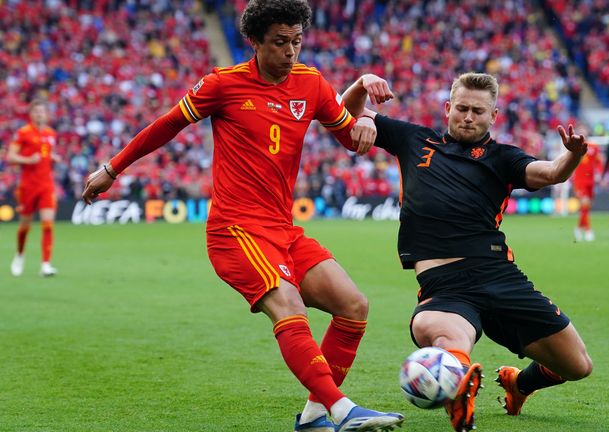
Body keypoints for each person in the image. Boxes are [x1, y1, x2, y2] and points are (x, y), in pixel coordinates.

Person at [81, 1, 404, 431]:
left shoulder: (311, 83)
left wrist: (363, 97)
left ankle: (312, 416)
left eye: (297, 41)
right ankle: (342, 410)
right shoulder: (223, 84)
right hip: (235, 231)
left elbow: (351, 138)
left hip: (283, 229)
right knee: (288, 304)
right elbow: (166, 125)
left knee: (353, 305)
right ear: (254, 42)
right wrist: (112, 168)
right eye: (280, 43)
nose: (291, 52)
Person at [343, 73, 592, 432]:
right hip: (445, 287)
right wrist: (363, 88)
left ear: (493, 116)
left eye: (478, 110)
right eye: (461, 108)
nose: (468, 116)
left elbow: (551, 173)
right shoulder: (414, 139)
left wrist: (571, 156)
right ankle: (459, 392)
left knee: (577, 366)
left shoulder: (503, 158)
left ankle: (518, 384)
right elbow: (342, 112)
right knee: (447, 337)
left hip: (499, 276)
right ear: (447, 108)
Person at [6, 99, 60, 277]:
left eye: (42, 111)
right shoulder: (23, 133)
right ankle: (20, 254)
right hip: (28, 186)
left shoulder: (51, 133)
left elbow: (46, 154)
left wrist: (53, 158)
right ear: (31, 114)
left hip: (46, 185)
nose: (39, 114)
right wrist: (27, 160)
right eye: (36, 111)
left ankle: (46, 264)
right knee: (25, 225)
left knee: (48, 224)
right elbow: (11, 156)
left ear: (46, 114)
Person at [571, 126, 602, 242]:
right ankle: (588, 230)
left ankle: (578, 228)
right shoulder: (574, 147)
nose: (583, 133)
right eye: (580, 132)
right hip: (579, 180)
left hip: (591, 181)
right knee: (584, 203)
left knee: (586, 207)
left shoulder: (593, 147)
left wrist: (599, 172)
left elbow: (599, 162)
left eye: (584, 131)